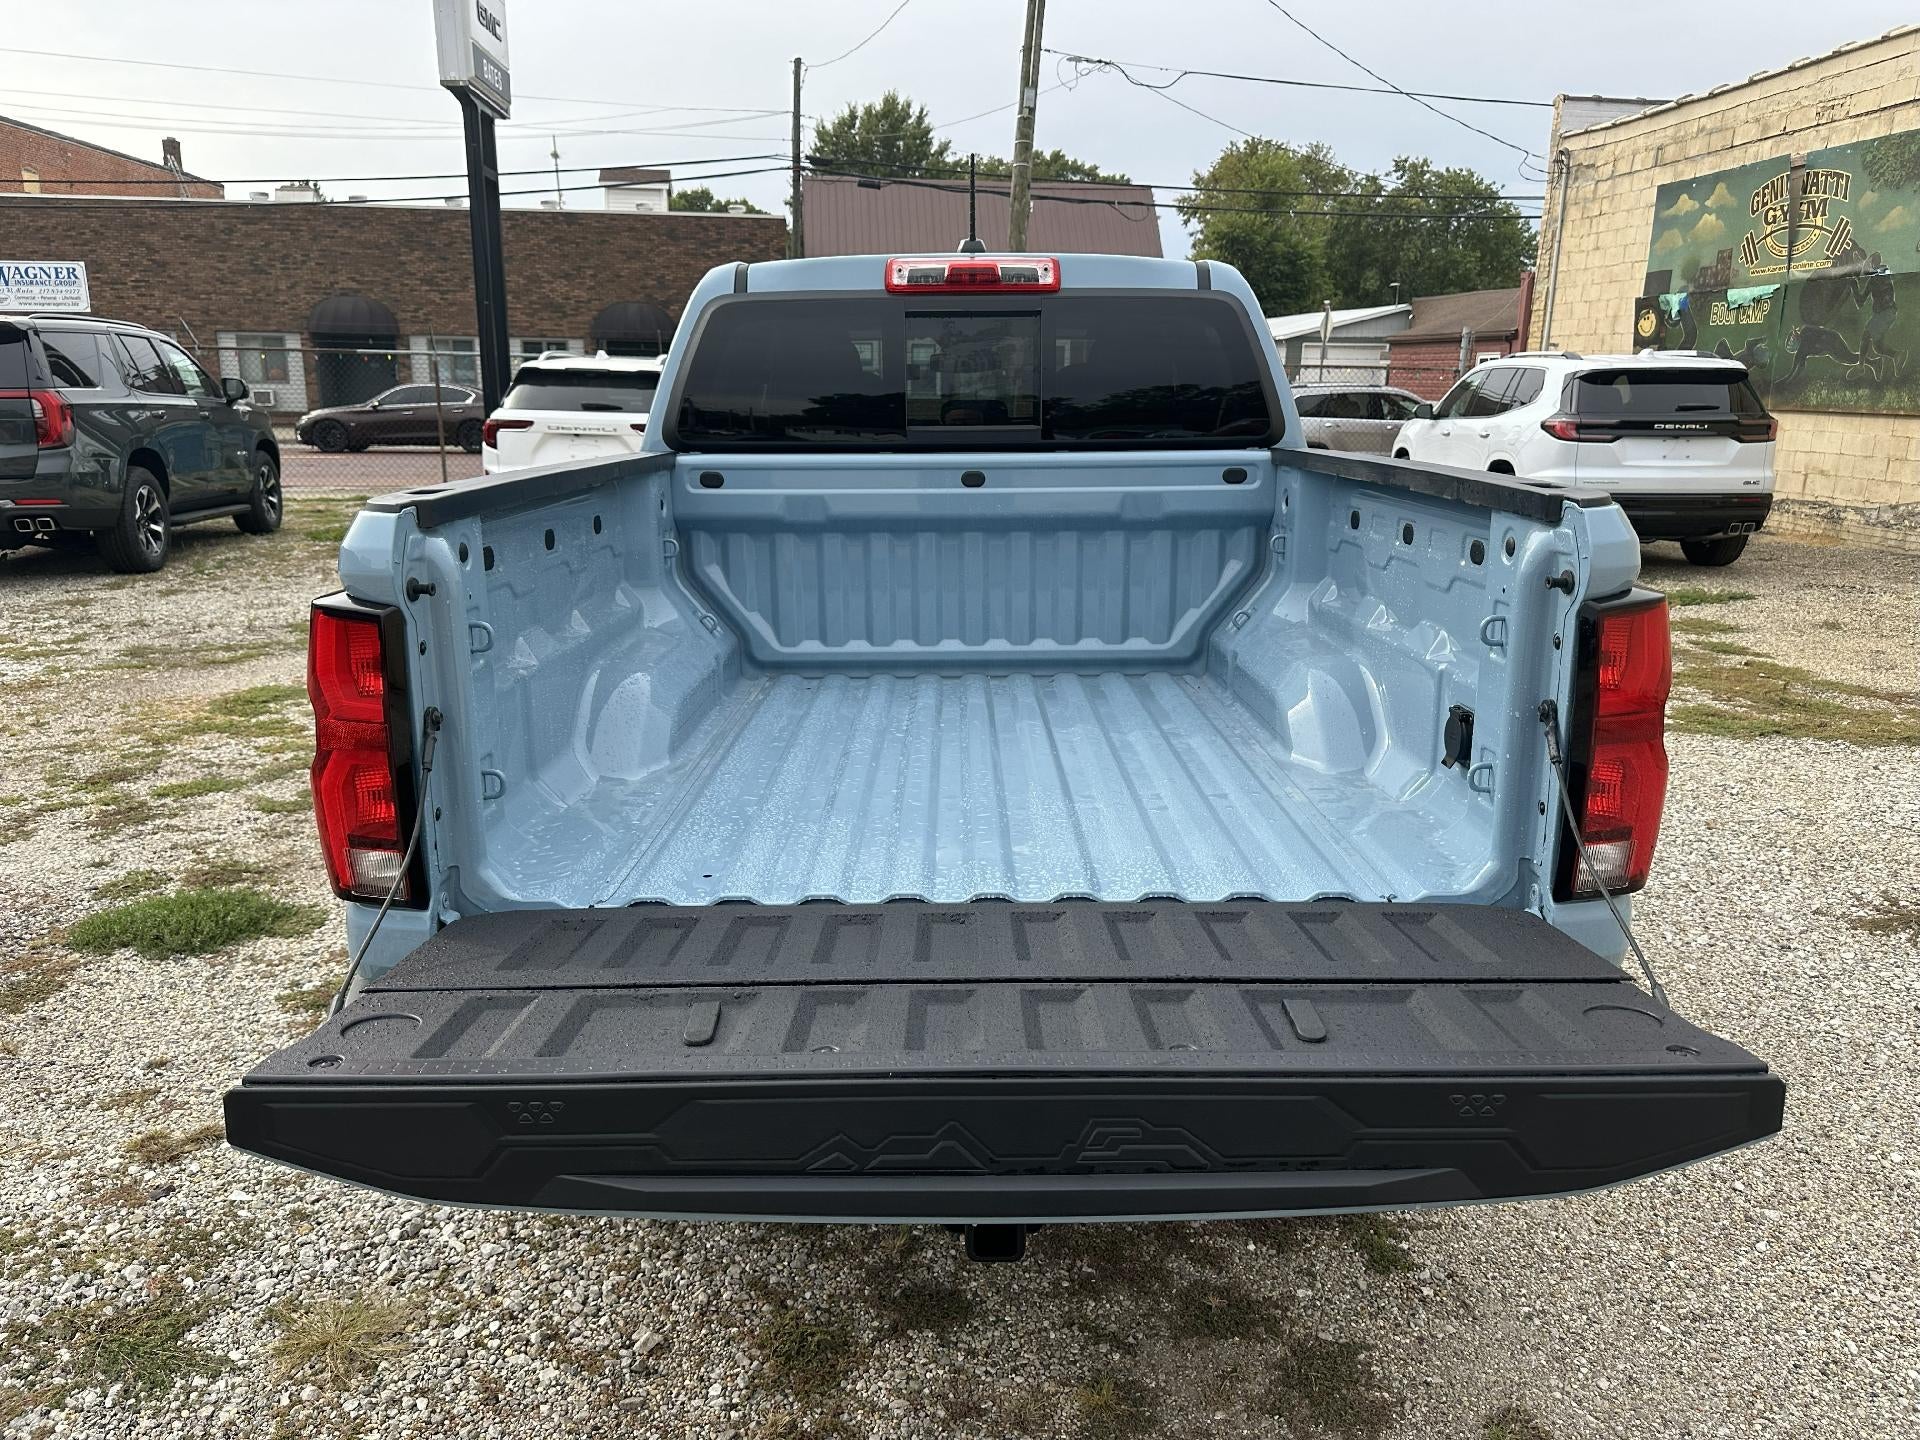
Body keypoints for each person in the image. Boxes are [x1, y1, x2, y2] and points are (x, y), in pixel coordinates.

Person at [1850, 252, 1903, 382]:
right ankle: (1897, 355)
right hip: (1883, 314)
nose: (1869, 265)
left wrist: (1861, 264)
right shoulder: (1874, 279)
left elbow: (1877, 276)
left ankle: (1860, 366)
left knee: (1866, 334)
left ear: (1875, 263)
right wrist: (1854, 286)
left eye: (1871, 262)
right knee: (1877, 347)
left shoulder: (1883, 273)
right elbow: (1860, 302)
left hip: (1886, 313)